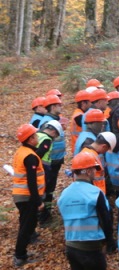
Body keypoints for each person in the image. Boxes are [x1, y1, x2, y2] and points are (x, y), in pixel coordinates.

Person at [57, 152, 115, 270]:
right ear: (87, 170)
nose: (95, 173)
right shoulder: (95, 193)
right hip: (90, 246)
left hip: (71, 244)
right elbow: (106, 219)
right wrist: (109, 243)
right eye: (94, 169)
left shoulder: (64, 194)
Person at [12, 124, 45, 267]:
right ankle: (20, 256)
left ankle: (21, 253)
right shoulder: (30, 156)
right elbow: (31, 181)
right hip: (27, 197)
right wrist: (38, 201)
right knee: (27, 226)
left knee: (25, 225)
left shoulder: (22, 151)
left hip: (21, 196)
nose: (37, 137)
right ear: (30, 139)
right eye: (35, 136)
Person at [40, 94, 66, 223]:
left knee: (50, 187)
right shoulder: (46, 122)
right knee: (47, 188)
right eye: (58, 105)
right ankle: (44, 216)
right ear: (52, 107)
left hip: (55, 160)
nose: (61, 107)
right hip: (50, 162)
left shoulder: (55, 119)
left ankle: (46, 212)